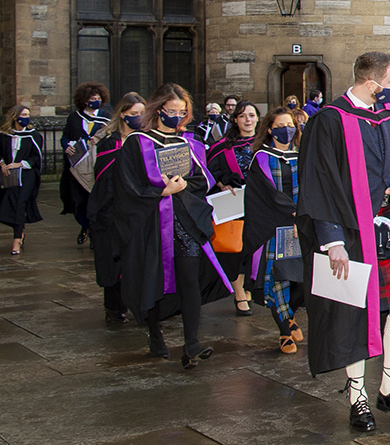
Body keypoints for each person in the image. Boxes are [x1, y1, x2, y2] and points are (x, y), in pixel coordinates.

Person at [295, 51, 390, 431]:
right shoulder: (330, 122)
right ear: (372, 85)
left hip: (388, 226)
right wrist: (331, 240)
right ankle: (357, 396)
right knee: (353, 314)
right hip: (349, 231)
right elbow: (316, 183)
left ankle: (389, 389)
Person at [114, 83, 233, 367]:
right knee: (152, 278)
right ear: (158, 110)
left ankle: (191, 343)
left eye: (182, 112)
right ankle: (155, 334)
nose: (177, 117)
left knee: (189, 279)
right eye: (171, 111)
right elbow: (127, 185)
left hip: (184, 222)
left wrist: (178, 187)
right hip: (150, 223)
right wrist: (160, 191)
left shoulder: (189, 143)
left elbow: (202, 179)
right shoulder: (137, 142)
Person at [240, 107, 306, 354]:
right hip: (274, 226)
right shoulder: (262, 158)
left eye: (290, 125)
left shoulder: (301, 155)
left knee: (301, 281)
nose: (286, 130)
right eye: (279, 126)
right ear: (269, 129)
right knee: (278, 279)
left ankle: (289, 314)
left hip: (300, 226)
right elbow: (267, 193)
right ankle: (283, 331)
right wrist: (293, 211)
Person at [88, 92, 147, 323]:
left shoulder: (147, 140)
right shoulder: (109, 143)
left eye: (143, 114)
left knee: (140, 261)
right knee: (113, 261)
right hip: (112, 210)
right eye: (134, 114)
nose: (139, 118)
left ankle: (144, 305)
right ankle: (114, 306)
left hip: (140, 210)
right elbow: (102, 177)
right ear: (123, 114)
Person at [206, 100, 261, 316]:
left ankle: (247, 286)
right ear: (235, 120)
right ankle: (239, 293)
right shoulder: (222, 147)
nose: (248, 120)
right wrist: (220, 182)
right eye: (242, 116)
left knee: (254, 248)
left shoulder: (266, 144)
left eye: (251, 115)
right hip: (234, 206)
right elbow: (208, 173)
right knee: (236, 249)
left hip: (260, 205)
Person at [62, 81, 111, 246]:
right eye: (92, 98)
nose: (95, 100)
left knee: (94, 201)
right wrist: (66, 146)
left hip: (97, 165)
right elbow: (65, 137)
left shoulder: (106, 118)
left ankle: (93, 234)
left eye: (97, 98)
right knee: (78, 202)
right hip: (77, 165)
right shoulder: (74, 118)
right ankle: (85, 226)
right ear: (84, 100)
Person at [0, 106, 44, 256]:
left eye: (28, 115)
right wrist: (2, 164)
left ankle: (17, 240)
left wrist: (20, 164)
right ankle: (20, 228)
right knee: (8, 205)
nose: (26, 117)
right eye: (23, 114)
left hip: (26, 174)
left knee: (20, 203)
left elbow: (35, 158)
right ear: (14, 117)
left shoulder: (34, 135)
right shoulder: (4, 135)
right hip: (8, 175)